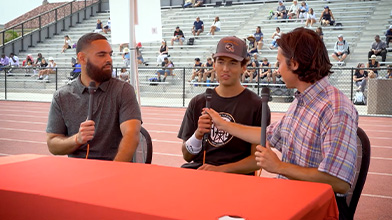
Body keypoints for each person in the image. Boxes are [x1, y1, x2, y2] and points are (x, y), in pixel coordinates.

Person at [205, 28, 358, 220]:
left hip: (318, 208)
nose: (277, 70)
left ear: (293, 64)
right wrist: (223, 125)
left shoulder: (336, 108)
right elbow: (268, 134)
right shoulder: (302, 100)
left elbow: (339, 181)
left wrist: (279, 167)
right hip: (289, 196)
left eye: (279, 63)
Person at [178, 36, 269, 174]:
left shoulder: (257, 106)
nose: (225, 69)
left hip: (237, 180)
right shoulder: (198, 102)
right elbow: (186, 156)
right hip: (200, 175)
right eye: (221, 62)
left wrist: (221, 170)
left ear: (243, 67)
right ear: (214, 65)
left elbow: (256, 160)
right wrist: (198, 134)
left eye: (233, 63)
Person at [46, 32, 142, 161]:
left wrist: (113, 172)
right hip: (77, 172)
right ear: (82, 58)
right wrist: (77, 139)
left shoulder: (123, 90)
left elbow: (132, 135)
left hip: (114, 170)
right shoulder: (62, 96)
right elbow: (53, 145)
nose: (109, 59)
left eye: (110, 54)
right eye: (102, 54)